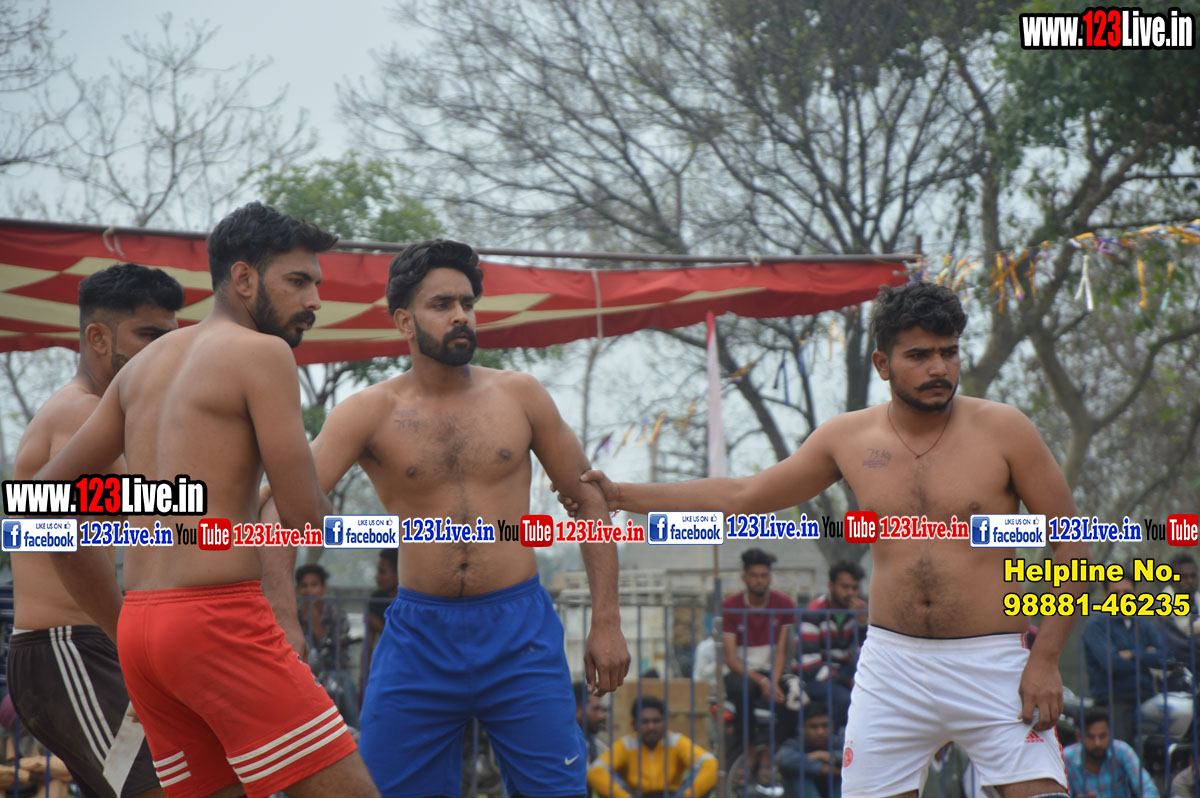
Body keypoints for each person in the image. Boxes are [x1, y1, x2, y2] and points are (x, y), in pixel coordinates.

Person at [561, 281, 1088, 797]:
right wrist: (622, 495)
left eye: (949, 352)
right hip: (893, 666)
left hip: (992, 660)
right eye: (919, 355)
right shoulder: (848, 437)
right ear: (882, 364)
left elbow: (1073, 543)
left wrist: (1045, 658)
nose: (939, 368)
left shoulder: (1005, 430)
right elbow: (745, 494)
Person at [264, 239, 630, 797]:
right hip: (418, 637)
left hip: (520, 632)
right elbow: (280, 506)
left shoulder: (520, 395)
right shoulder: (368, 412)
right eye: (442, 304)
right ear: (404, 321)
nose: (461, 315)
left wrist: (606, 619)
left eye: (467, 303)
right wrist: (283, 616)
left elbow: (588, 501)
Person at [34, 202, 377, 798]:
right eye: (299, 281)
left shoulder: (141, 368)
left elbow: (43, 495)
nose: (316, 299)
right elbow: (305, 519)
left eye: (316, 284)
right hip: (218, 622)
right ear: (243, 278)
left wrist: (173, 514)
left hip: (143, 631)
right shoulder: (263, 354)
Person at [8, 262, 181, 798]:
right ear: (98, 338)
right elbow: (63, 538)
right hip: (67, 650)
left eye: (170, 338)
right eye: (149, 335)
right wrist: (132, 641)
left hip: (80, 649)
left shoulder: (105, 419)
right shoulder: (79, 414)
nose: (164, 352)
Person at [722, 548, 797, 786]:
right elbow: (731, 659)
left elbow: (781, 651)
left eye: (764, 575)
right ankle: (751, 750)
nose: (759, 580)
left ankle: (770, 752)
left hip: (773, 671)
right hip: (741, 672)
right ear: (744, 577)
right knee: (743, 690)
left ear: (770, 577)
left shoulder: (784, 604)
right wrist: (762, 681)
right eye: (754, 575)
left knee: (795, 695)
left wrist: (773, 682)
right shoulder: (731, 606)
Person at [1083, 576, 1166, 745]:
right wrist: (1147, 656)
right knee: (1122, 749)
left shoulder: (1142, 623)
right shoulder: (1096, 625)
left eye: (1127, 592)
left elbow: (1166, 657)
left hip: (1147, 695)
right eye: (1116, 593)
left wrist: (1132, 654)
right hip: (1114, 700)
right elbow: (1112, 663)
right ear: (1106, 596)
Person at [587, 696, 717, 798]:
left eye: (656, 721)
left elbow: (711, 764)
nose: (651, 727)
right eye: (645, 722)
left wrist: (687, 795)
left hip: (674, 795)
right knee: (606, 774)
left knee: (704, 771)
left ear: (664, 722)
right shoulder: (626, 745)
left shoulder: (676, 741)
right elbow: (595, 771)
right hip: (634, 795)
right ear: (634, 724)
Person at [798, 561, 867, 733]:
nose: (850, 593)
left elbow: (867, 651)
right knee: (844, 698)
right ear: (831, 586)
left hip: (844, 668)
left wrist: (862, 624)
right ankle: (836, 740)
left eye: (855, 588)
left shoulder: (860, 610)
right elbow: (810, 664)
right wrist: (847, 682)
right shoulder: (814, 612)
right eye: (845, 587)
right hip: (814, 675)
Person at [295, 564, 359, 727]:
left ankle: (355, 730)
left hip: (336, 671)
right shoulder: (295, 617)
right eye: (304, 585)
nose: (309, 590)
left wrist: (315, 622)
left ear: (324, 588)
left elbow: (332, 649)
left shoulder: (336, 614)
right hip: (306, 675)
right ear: (298, 590)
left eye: (314, 585)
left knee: (347, 693)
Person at [1062, 709, 1159, 798]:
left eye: (1102, 736)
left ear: (1110, 734)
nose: (1097, 743)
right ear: (1079, 737)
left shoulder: (1122, 751)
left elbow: (1147, 788)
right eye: (1091, 737)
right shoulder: (1067, 758)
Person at [776, 706, 843, 798]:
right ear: (801, 728)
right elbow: (784, 759)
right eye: (814, 727)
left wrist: (826, 756)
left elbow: (856, 757)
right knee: (798, 774)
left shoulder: (838, 742)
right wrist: (822, 768)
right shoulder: (794, 744)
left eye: (825, 726)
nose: (820, 732)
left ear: (833, 727)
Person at [1159, 554, 1198, 666]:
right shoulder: (1164, 603)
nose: (1189, 581)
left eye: (1193, 576)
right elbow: (1178, 645)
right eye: (1183, 577)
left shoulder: (1197, 598)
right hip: (1174, 669)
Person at [366, 548, 399, 654]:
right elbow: (368, 646)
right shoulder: (376, 599)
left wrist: (379, 626)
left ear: (399, 574)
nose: (377, 577)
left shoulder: (412, 602)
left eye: (382, 572)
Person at [574, 680, 609, 765]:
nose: (602, 716)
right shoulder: (563, 745)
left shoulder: (594, 743)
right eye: (596, 709)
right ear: (577, 710)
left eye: (602, 709)